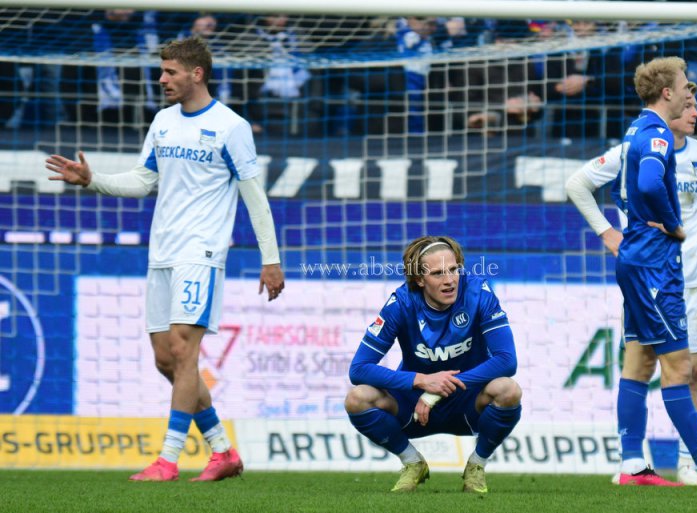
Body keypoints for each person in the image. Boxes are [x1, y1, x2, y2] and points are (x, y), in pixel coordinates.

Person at [45, 36, 285, 482]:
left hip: (202, 251)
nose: (161, 79)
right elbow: (142, 180)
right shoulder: (162, 122)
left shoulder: (231, 127)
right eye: (162, 71)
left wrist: (270, 260)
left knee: (183, 348)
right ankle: (223, 453)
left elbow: (255, 199)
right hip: (162, 252)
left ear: (196, 74)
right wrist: (92, 179)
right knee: (166, 361)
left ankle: (168, 460)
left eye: (170, 72)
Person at [566, 82, 697, 485]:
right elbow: (578, 183)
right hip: (655, 275)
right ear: (668, 98)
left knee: (691, 371)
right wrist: (607, 233)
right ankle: (681, 465)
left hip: (693, 281)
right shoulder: (636, 148)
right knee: (652, 365)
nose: (694, 109)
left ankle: (681, 462)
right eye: (688, 100)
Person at [344, 236, 522, 494]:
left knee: (509, 390)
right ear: (419, 279)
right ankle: (412, 462)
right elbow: (358, 369)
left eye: (453, 270)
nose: (449, 280)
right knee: (357, 399)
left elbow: (507, 360)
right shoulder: (402, 303)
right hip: (414, 405)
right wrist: (421, 381)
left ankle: (476, 465)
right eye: (438, 273)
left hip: (467, 401)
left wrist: (437, 390)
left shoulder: (478, 294)